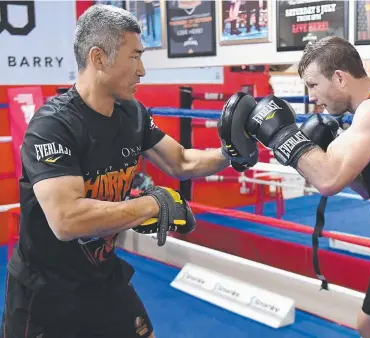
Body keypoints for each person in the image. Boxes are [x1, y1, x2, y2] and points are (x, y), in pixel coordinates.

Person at [1, 5, 257, 338]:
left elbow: (181, 161)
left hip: (103, 280)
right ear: (98, 58)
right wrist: (152, 205)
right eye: (134, 57)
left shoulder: (132, 113)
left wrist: (233, 152)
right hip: (47, 295)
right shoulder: (54, 126)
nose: (143, 71)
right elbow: (67, 219)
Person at [220, 36, 370, 338]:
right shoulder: (366, 115)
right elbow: (364, 188)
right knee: (369, 325)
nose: (311, 97)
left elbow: (328, 181)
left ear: (339, 77)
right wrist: (321, 150)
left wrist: (281, 134)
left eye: (313, 84)